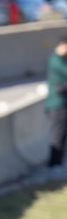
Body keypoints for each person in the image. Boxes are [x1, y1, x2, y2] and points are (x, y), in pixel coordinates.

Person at [45, 36, 67, 168]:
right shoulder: (56, 60)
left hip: (63, 104)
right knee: (57, 136)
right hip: (57, 105)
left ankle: (58, 164)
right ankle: (54, 165)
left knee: (62, 135)